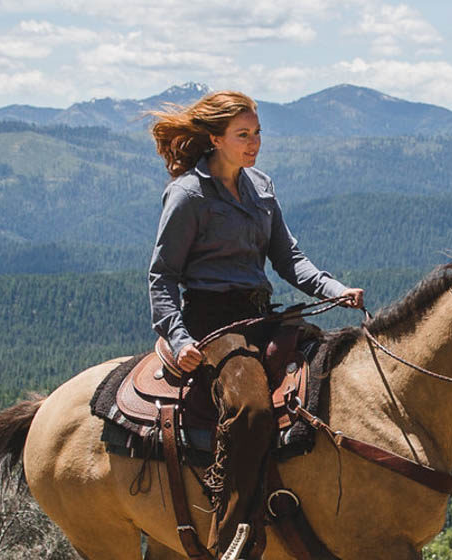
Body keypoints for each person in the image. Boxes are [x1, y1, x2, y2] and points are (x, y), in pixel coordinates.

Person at [147, 90, 362, 552]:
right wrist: (181, 337)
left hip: (260, 314)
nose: (254, 143)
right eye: (243, 135)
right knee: (251, 410)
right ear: (214, 138)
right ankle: (231, 538)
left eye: (258, 132)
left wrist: (334, 289)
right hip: (212, 324)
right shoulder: (188, 195)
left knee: (334, 375)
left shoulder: (260, 186)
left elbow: (289, 259)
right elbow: (162, 277)